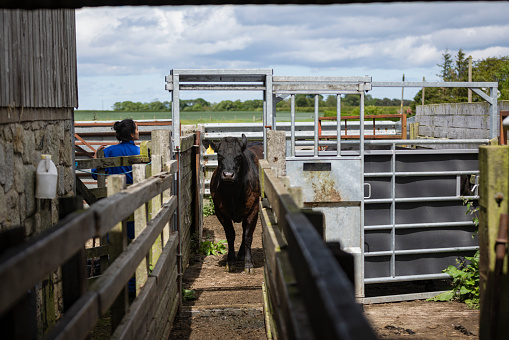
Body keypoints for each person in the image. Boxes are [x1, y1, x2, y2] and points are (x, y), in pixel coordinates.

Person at [92, 118, 140, 185]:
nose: (138, 131)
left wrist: (96, 157)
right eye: (137, 129)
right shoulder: (139, 151)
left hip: (114, 190)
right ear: (132, 134)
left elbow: (95, 174)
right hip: (136, 190)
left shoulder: (107, 151)